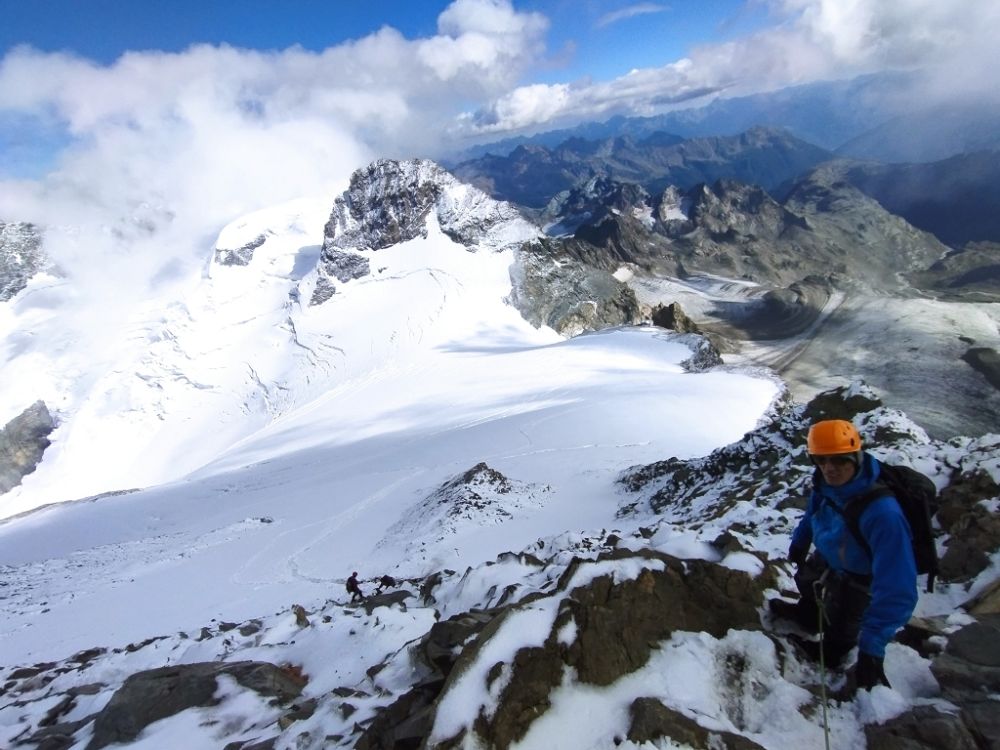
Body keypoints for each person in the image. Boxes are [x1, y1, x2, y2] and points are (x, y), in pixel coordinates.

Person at [769, 419, 918, 691]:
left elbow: (897, 586)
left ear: (855, 457)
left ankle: (834, 652)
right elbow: (813, 513)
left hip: (862, 578)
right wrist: (800, 543)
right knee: (808, 579)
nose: (829, 468)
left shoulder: (883, 515)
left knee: (844, 625)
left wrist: (873, 649)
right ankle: (809, 615)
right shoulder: (826, 486)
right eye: (821, 460)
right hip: (832, 558)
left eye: (838, 460)